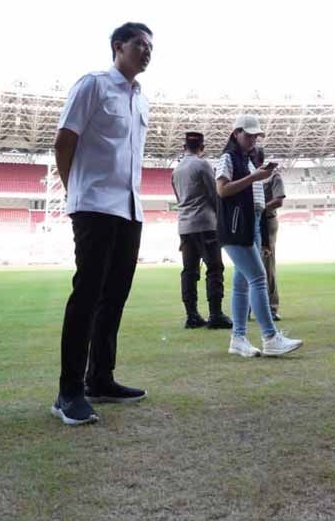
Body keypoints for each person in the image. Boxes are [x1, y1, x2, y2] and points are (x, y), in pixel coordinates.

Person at [52, 22, 152, 427]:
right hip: (95, 205)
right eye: (139, 45)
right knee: (87, 297)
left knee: (115, 297)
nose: (147, 52)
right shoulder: (93, 85)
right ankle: (68, 392)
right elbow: (64, 140)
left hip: (130, 209)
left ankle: (100, 378)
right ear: (118, 47)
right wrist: (75, 193)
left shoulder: (141, 99)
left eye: (151, 47)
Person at [215, 115, 302, 358]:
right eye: (249, 134)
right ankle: (270, 337)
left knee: (242, 282)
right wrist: (255, 177)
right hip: (237, 225)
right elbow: (221, 190)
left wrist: (257, 174)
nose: (254, 139)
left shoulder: (244, 159)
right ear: (236, 133)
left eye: (256, 135)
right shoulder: (229, 158)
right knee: (258, 277)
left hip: (248, 223)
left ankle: (239, 338)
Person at [172, 131, 232, 330]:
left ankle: (192, 315)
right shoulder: (202, 164)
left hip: (185, 225)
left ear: (184, 147)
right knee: (214, 268)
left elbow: (179, 198)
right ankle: (215, 314)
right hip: (205, 224)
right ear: (202, 148)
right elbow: (214, 195)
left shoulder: (177, 170)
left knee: (189, 271)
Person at [252, 145, 286, 320]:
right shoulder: (248, 174)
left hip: (267, 221)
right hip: (250, 223)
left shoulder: (273, 176)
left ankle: (271, 308)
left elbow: (279, 200)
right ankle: (251, 307)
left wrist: (260, 208)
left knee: (267, 265)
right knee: (249, 266)